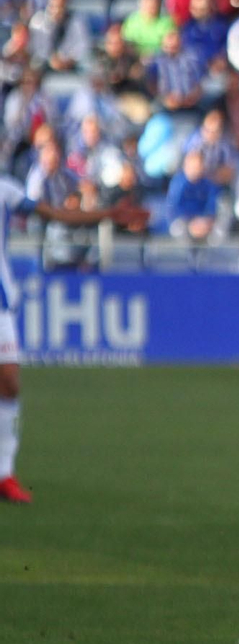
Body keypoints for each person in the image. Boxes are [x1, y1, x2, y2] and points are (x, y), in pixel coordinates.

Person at [0, 177, 145, 502]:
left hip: (0, 305)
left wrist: (106, 214)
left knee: (9, 383)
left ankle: (4, 473)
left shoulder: (3, 188)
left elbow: (55, 215)